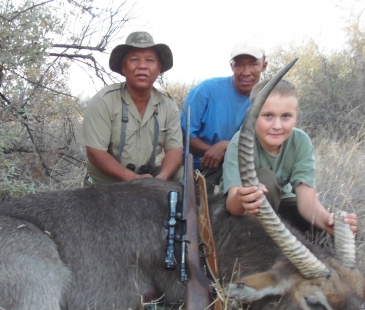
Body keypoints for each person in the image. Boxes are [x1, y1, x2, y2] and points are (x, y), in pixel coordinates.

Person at [222, 79, 358, 236]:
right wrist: (243, 198)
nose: (277, 126)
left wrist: (329, 222)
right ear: (251, 115)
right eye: (268, 116)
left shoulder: (301, 141)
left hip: (283, 204)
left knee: (343, 227)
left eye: (286, 116)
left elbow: (307, 201)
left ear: (296, 115)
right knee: (267, 180)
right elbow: (232, 204)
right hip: (246, 213)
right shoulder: (239, 142)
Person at [82, 32, 183, 186]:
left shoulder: (168, 105)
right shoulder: (104, 100)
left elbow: (175, 151)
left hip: (145, 180)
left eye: (150, 60)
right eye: (134, 60)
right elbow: (95, 153)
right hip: (107, 182)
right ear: (124, 66)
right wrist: (131, 179)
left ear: (158, 67)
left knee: (181, 174)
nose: (142, 66)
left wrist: (161, 180)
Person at [181, 40, 267, 194]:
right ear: (232, 66)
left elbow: (265, 142)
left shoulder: (268, 99)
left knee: (267, 181)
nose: (246, 72)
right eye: (239, 65)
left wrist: (227, 146)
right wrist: (213, 151)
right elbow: (184, 135)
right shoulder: (206, 90)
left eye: (253, 64)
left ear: (264, 66)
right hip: (199, 167)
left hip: (239, 166)